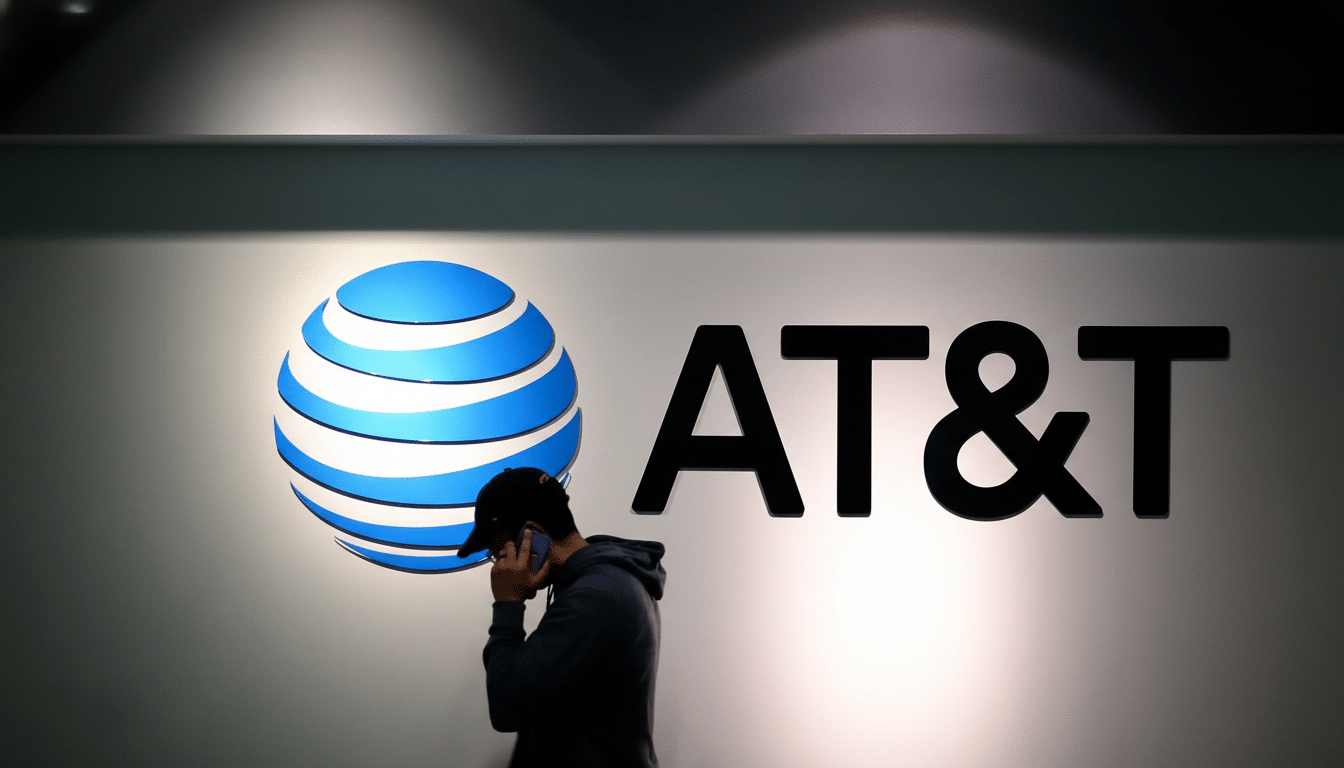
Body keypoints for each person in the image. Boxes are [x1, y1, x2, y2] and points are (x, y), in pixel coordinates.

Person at [457, 467, 667, 768]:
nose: (499, 565)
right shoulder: (602, 583)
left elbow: (507, 705)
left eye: (498, 550)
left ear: (532, 535)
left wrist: (508, 602)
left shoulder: (595, 596)